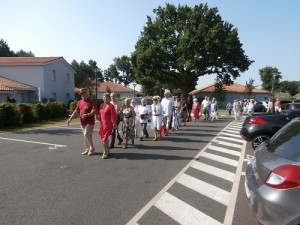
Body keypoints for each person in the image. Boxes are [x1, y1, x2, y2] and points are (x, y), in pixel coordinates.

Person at [67, 88, 97, 156]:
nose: (86, 95)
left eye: (87, 93)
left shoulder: (91, 101)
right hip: (82, 122)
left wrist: (87, 115)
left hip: (90, 122)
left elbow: (95, 111)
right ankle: (87, 149)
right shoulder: (80, 102)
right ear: (81, 94)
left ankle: (92, 148)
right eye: (84, 94)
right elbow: (76, 111)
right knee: (86, 136)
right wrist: (70, 119)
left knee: (86, 134)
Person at [98, 93, 117, 159]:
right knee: (105, 138)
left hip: (108, 125)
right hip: (102, 124)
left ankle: (105, 152)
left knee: (104, 139)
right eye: (104, 97)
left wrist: (114, 124)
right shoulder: (101, 105)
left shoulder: (111, 106)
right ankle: (107, 149)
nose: (105, 99)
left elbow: (113, 116)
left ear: (109, 98)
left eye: (106, 97)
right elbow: (100, 115)